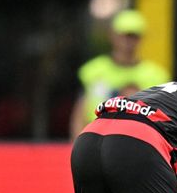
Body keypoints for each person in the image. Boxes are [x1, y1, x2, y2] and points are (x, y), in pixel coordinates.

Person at [70, 9, 169, 139]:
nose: (128, 41)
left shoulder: (157, 75)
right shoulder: (93, 71)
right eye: (124, 35)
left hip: (140, 141)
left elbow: (165, 119)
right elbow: (80, 111)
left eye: (133, 36)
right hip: (96, 139)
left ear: (141, 38)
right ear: (112, 35)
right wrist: (77, 142)